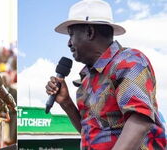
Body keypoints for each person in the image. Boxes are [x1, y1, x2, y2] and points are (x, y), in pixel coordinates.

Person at [45, 0, 166, 149]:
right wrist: (66, 103)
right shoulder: (88, 79)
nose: (69, 43)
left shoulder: (128, 60)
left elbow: (140, 121)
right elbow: (90, 133)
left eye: (71, 35)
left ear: (90, 32)